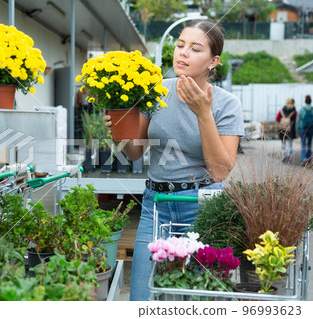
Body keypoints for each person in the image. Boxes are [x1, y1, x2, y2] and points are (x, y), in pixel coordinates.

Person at [103, 20, 244, 301]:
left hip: (202, 205)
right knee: (141, 295)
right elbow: (134, 153)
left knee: (199, 297)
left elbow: (219, 171)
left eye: (195, 48)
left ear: (213, 61)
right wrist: (120, 129)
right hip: (156, 205)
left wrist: (203, 113)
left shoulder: (227, 104)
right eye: (180, 45)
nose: (183, 53)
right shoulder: (155, 93)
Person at [276, 98, 297, 163]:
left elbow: (277, 119)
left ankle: (283, 156)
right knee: (290, 143)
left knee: (283, 142)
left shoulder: (281, 110)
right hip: (291, 129)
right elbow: (296, 120)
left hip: (282, 129)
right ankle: (289, 155)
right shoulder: (294, 111)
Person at [296, 95, 312, 166]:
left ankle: (303, 158)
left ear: (305, 101)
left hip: (303, 128)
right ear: (310, 101)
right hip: (311, 128)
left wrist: (297, 130)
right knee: (309, 143)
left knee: (303, 144)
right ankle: (309, 158)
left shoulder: (301, 109)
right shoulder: (312, 109)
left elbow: (298, 120)